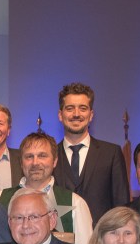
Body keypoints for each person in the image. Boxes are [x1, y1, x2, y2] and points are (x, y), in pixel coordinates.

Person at [0, 131, 93, 244]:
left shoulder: (75, 203)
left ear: (54, 161)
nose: (35, 163)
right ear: (21, 162)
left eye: (42, 156)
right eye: (29, 157)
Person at [52, 82, 130, 222]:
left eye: (83, 108)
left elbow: (121, 206)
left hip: (101, 235)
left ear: (91, 115)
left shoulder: (111, 154)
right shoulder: (49, 156)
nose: (76, 114)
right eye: (70, 108)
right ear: (60, 115)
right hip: (60, 235)